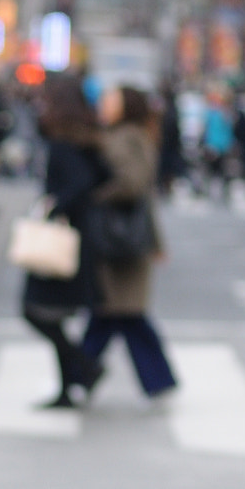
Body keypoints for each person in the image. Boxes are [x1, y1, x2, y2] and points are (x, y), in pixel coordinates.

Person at [80, 85, 176, 400]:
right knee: (114, 315)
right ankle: (82, 375)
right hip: (127, 240)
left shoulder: (124, 138)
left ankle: (80, 375)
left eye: (111, 100)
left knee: (118, 314)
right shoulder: (136, 135)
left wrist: (94, 197)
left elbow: (133, 185)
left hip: (119, 242)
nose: (103, 104)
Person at [20, 73, 105, 408]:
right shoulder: (87, 138)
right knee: (52, 315)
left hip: (59, 238)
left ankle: (86, 367)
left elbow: (81, 183)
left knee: (35, 310)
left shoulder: (61, 142)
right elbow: (99, 178)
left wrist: (54, 205)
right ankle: (70, 385)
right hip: (79, 238)